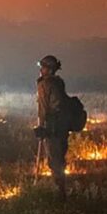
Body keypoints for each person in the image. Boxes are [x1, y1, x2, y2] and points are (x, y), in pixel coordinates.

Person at [34, 55, 70, 199]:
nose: (41, 70)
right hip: (62, 127)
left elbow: (43, 108)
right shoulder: (59, 82)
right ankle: (61, 190)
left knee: (55, 161)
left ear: (49, 69)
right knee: (60, 159)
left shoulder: (45, 84)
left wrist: (41, 126)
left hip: (52, 127)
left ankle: (60, 194)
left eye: (43, 67)